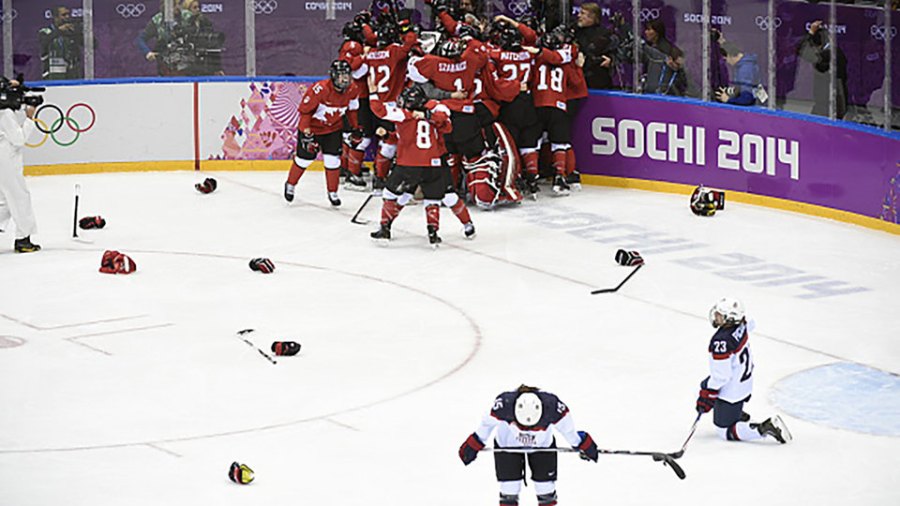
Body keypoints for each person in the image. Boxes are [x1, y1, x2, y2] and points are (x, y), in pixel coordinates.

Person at [369, 82, 475, 245]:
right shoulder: (436, 110)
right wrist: (426, 114)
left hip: (409, 164)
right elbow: (446, 125)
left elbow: (380, 110)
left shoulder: (404, 114)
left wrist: (373, 93)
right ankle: (441, 232)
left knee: (393, 194)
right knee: (437, 197)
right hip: (436, 163)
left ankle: (385, 227)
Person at [458, 384, 598, 506]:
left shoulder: (553, 408)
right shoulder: (504, 405)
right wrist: (474, 443)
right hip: (508, 444)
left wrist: (582, 444)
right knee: (509, 488)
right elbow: (486, 425)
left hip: (542, 445)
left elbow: (568, 431)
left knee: (545, 488)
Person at [695, 297, 792, 444]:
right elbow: (751, 323)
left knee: (724, 431)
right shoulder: (742, 325)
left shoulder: (721, 342)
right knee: (723, 411)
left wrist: (708, 391)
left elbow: (722, 377)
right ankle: (737, 414)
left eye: (720, 315)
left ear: (730, 318)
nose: (716, 317)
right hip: (743, 384)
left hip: (731, 392)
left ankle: (763, 428)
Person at [284, 60, 361, 207]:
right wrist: (306, 133)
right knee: (304, 160)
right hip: (313, 129)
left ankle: (333, 192)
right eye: (341, 76)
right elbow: (305, 113)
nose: (345, 80)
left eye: (347, 76)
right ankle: (290, 184)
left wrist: (355, 127)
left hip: (333, 129)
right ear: (333, 76)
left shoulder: (353, 89)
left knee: (333, 160)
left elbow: (352, 111)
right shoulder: (320, 89)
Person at [0, 85, 40, 253]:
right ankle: (23, 239)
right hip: (6, 159)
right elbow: (18, 139)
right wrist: (30, 119)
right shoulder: (5, 114)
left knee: (4, 202)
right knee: (19, 197)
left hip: (3, 159)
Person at [797, 20, 848, 119]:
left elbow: (802, 51)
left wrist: (811, 33)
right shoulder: (834, 51)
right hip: (830, 102)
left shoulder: (827, 55)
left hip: (829, 105)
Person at [135, 0, 193, 76]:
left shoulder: (187, 16)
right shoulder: (157, 20)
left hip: (188, 63)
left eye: (177, 4)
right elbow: (140, 39)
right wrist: (147, 52)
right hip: (166, 64)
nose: (177, 7)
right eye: (173, 6)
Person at [640, 19, 686, 96]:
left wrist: (675, 67)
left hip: (664, 93)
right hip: (649, 91)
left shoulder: (668, 50)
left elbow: (680, 69)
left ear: (657, 32)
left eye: (649, 30)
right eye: (646, 29)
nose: (646, 32)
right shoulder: (648, 48)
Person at [573, 3, 613, 90]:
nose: (579, 16)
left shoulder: (603, 33)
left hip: (597, 82)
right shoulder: (574, 31)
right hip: (577, 82)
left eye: (582, 13)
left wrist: (611, 61)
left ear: (592, 17)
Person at [713, 32, 760, 106]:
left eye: (726, 59)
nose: (727, 62)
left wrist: (728, 99)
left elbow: (747, 99)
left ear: (730, 55)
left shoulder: (744, 70)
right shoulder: (745, 61)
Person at [38, 6, 84, 81]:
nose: (67, 17)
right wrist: (59, 30)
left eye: (68, 14)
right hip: (52, 76)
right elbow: (44, 43)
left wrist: (77, 33)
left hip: (73, 76)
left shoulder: (72, 32)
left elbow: (94, 45)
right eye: (64, 15)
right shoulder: (46, 31)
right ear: (55, 17)